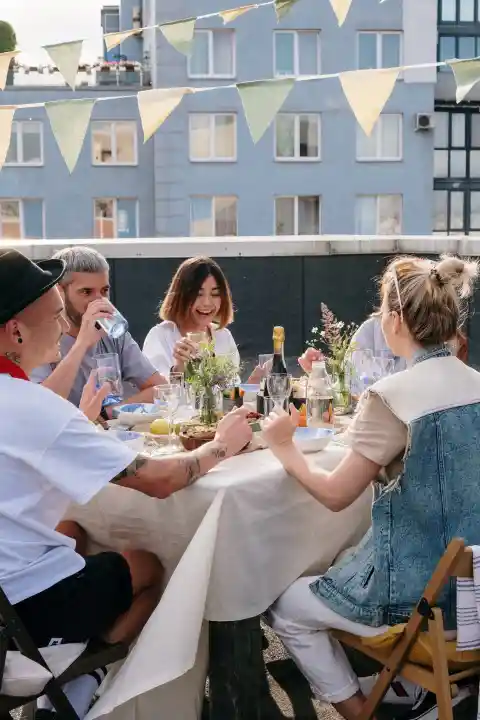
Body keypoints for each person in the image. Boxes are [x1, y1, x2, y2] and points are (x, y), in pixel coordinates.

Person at [0, 249, 251, 713]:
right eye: (57, 316)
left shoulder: (28, 401)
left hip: (10, 598)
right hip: (22, 614)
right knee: (152, 566)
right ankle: (79, 684)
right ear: (16, 331)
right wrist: (221, 445)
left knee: (75, 531)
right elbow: (159, 481)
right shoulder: (32, 405)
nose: (64, 325)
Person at [262, 254, 480, 720]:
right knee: (345, 557)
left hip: (420, 607)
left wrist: (283, 447)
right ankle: (415, 693)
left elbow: (336, 494)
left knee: (283, 606)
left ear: (395, 319)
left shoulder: (393, 395)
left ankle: (364, 710)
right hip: (474, 602)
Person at [30, 246, 166, 418]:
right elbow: (42, 407)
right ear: (59, 292)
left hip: (110, 430)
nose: (98, 300)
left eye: (104, 291)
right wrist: (82, 344)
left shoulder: (113, 331)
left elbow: (161, 389)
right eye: (86, 292)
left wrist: (107, 413)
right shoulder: (39, 337)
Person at [143, 256, 240, 378]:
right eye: (198, 294)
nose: (207, 303)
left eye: (215, 294)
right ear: (181, 296)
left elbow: (232, 386)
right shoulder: (160, 336)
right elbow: (155, 387)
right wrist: (178, 369)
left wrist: (253, 382)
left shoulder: (223, 336)